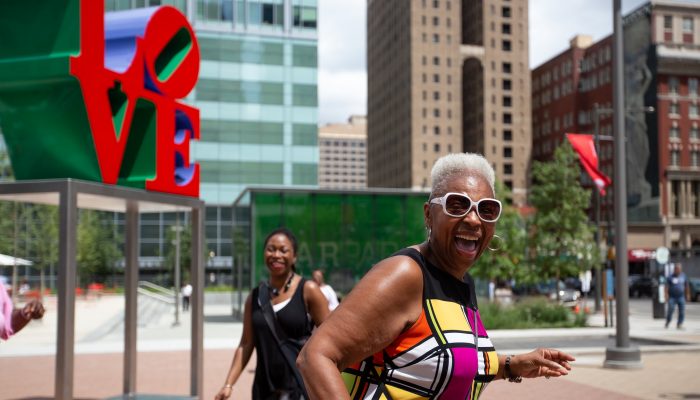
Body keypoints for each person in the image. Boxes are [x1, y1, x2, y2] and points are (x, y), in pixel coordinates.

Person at [298, 153, 575, 399]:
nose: (473, 219)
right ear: (429, 215)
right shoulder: (406, 274)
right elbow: (315, 356)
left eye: (486, 209)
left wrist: (513, 365)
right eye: (457, 205)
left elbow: (441, 362)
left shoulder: (462, 282)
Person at [215, 228, 329, 400]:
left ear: (294, 257)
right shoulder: (255, 298)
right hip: (264, 390)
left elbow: (331, 336)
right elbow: (246, 344)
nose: (276, 255)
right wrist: (228, 384)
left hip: (299, 387)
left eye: (283, 250)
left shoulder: (308, 290)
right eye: (271, 249)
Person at [665, 263, 690, 329]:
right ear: (674, 269)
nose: (678, 270)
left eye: (679, 269)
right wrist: (666, 295)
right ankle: (668, 321)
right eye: (676, 269)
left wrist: (687, 294)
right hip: (672, 297)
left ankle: (679, 323)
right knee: (670, 309)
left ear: (681, 269)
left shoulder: (683, 276)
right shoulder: (670, 277)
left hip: (681, 296)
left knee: (682, 311)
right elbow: (667, 287)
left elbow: (686, 286)